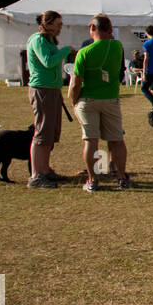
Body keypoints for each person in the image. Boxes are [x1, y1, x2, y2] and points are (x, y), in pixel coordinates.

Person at [69, 13, 132, 191]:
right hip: (110, 98)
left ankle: (93, 179)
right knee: (116, 140)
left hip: (88, 99)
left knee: (91, 140)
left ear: (92, 28)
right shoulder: (117, 46)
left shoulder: (84, 52)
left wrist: (74, 101)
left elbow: (75, 83)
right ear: (110, 29)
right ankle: (121, 177)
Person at [26, 10, 74, 189]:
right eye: (58, 24)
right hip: (42, 89)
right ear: (48, 23)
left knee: (50, 133)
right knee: (42, 132)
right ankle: (36, 175)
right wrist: (66, 51)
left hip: (52, 89)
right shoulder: (38, 40)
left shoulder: (50, 41)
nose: (60, 27)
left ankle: (45, 170)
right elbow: (47, 61)